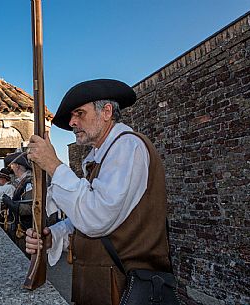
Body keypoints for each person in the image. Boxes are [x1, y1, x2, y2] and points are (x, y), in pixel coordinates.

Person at [26, 79, 172, 305]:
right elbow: (86, 219)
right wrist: (53, 237)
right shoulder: (102, 156)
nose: (72, 122)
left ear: (106, 112)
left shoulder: (128, 147)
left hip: (123, 288)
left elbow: (97, 216)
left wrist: (53, 165)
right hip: (100, 285)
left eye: (79, 113)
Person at [2, 152, 33, 247]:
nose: (11, 168)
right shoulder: (22, 182)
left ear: (17, 166)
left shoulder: (29, 182)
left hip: (27, 231)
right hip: (20, 229)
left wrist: (10, 203)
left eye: (12, 165)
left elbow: (30, 208)